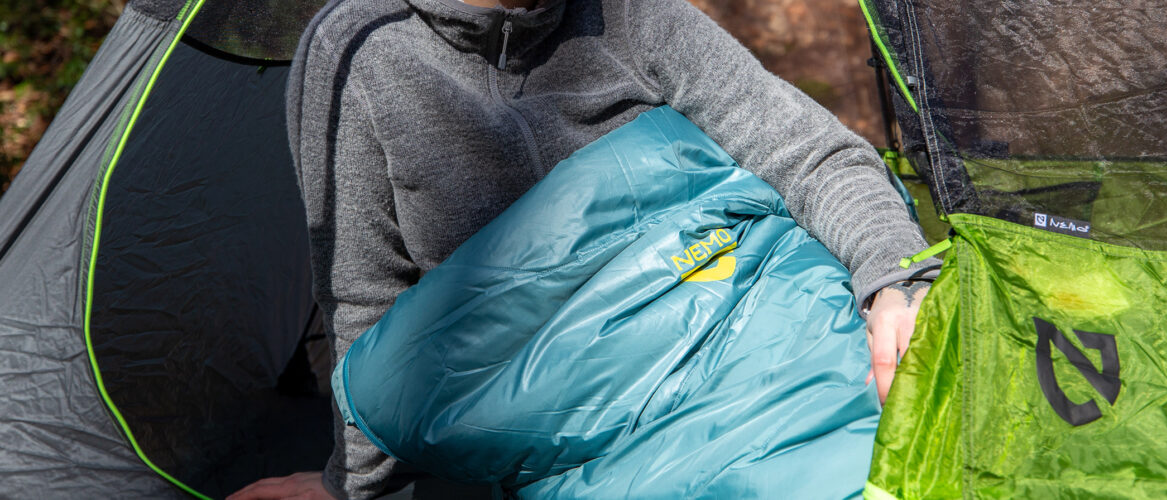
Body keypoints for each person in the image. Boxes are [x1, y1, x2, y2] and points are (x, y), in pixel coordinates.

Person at [229, 0, 938, 498]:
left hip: (762, 336)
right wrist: (351, 485)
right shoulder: (359, 47)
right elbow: (368, 301)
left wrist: (893, 279)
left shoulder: (636, 15)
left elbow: (812, 156)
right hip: (583, 428)